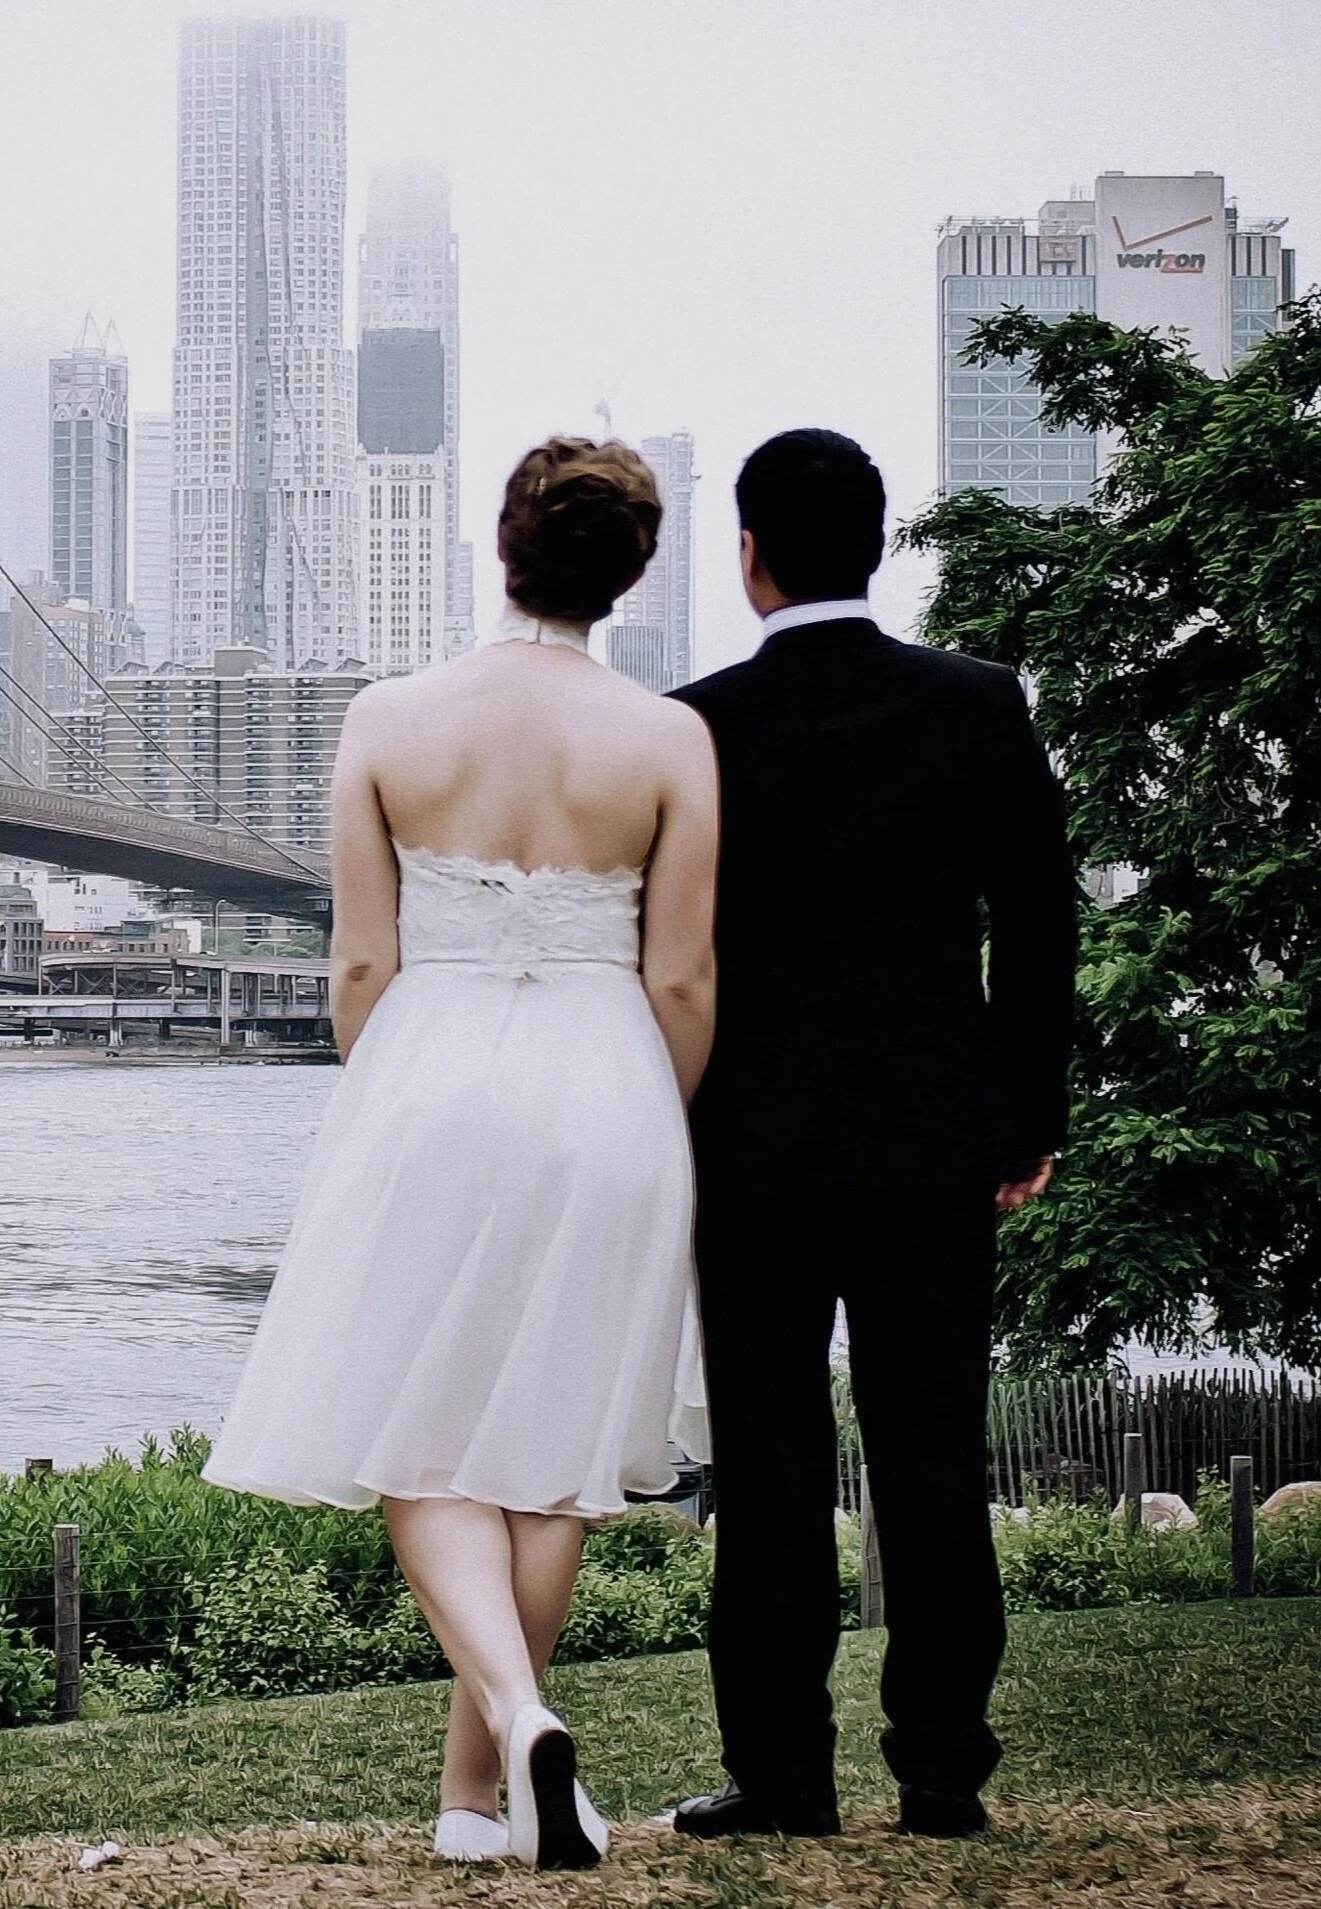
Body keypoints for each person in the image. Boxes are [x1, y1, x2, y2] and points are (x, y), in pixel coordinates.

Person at [204, 437, 718, 1870]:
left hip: (430, 1086)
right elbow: (684, 983)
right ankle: (475, 1800)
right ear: (629, 574)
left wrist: (406, 1093)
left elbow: (360, 966)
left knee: (421, 1440)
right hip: (611, 1093)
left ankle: (509, 1725)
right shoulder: (671, 740)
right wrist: (642, 1108)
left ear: (503, 545)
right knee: (550, 1457)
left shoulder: (389, 718)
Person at [669, 429, 1077, 1840]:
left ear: (750, 555)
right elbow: (1037, 921)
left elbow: (675, 956)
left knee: (772, 1464)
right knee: (932, 1458)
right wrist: (1029, 1119)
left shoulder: (697, 722)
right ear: (882, 543)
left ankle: (783, 1777)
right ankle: (943, 1776)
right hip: (930, 1146)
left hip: (756, 1152)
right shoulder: (976, 704)